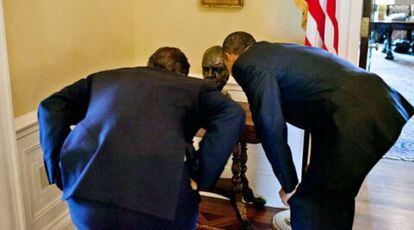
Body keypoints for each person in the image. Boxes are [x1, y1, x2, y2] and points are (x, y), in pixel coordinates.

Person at [222, 31, 414, 229]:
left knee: (311, 204)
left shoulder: (247, 64)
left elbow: (270, 125)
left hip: (356, 117)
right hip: (381, 103)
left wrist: (288, 185)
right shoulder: (276, 51)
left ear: (230, 56)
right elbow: (322, 103)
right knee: (334, 201)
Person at [38, 47, 245, 229]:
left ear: (148, 64)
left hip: (87, 198)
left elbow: (50, 107)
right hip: (162, 207)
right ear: (182, 74)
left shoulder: (103, 78)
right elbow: (233, 114)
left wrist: (58, 168)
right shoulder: (193, 87)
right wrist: (200, 174)